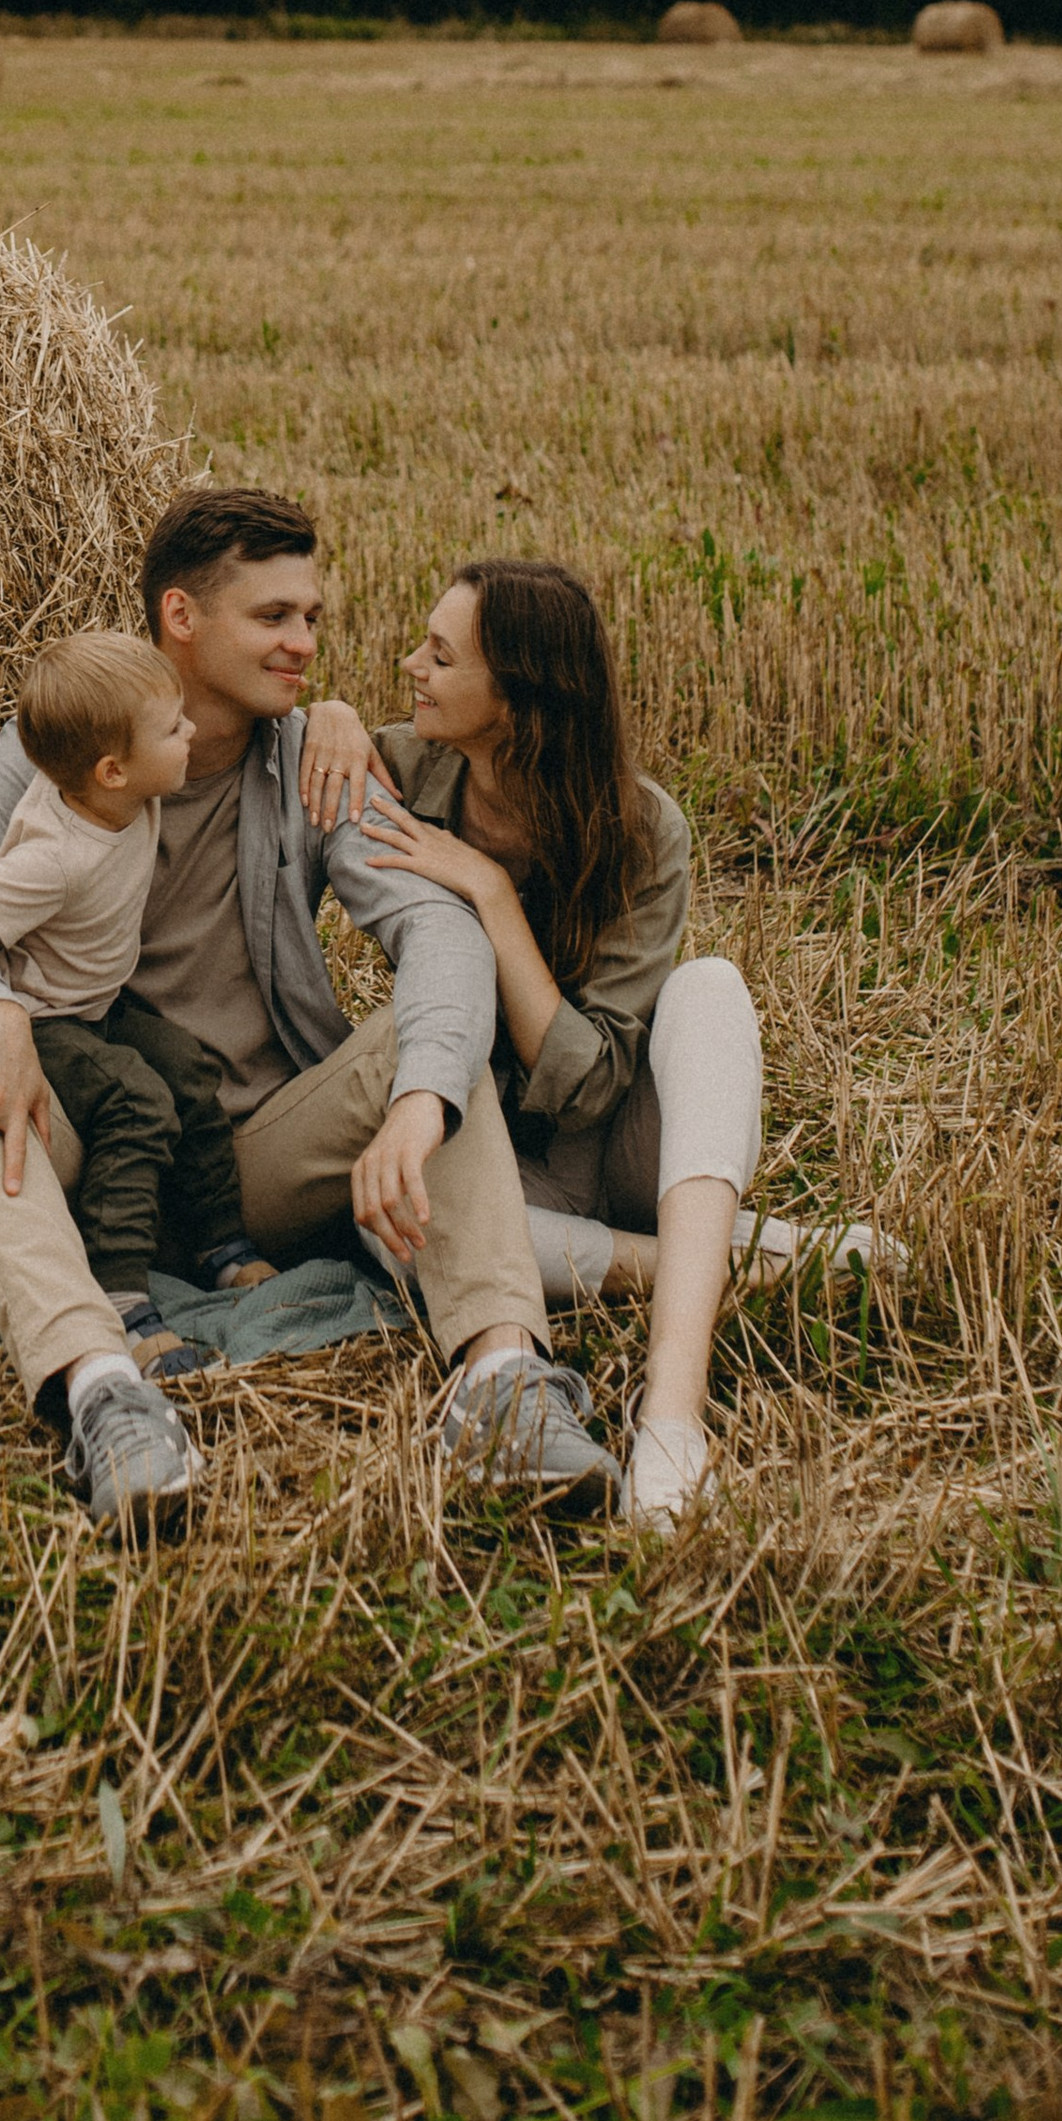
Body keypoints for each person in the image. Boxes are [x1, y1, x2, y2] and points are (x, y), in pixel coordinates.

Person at [0, 486, 619, 1541]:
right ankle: (101, 1391)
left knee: (430, 1036)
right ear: (181, 618)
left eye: (311, 617)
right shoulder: (61, 741)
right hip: (89, 1131)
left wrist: (420, 1099)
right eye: (274, 617)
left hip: (254, 1159)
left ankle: (501, 1381)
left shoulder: (315, 757)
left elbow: (439, 930)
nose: (304, 643)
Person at [356, 559, 763, 1531]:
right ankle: (702, 1261)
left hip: (614, 1140)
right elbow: (278, 752)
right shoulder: (407, 768)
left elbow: (587, 1085)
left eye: (440, 655)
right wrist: (324, 717)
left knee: (709, 989)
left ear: (515, 702)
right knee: (383, 1229)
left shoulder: (642, 827)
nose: (410, 665)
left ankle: (671, 1420)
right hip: (497, 1170)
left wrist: (491, 898)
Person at [0, 629, 276, 1383]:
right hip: (45, 1018)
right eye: (173, 729)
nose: (191, 730)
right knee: (137, 1102)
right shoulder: (53, 857)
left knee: (183, 1067)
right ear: (112, 769)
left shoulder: (128, 790)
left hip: (97, 1003)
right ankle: (121, 1291)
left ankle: (220, 1243)